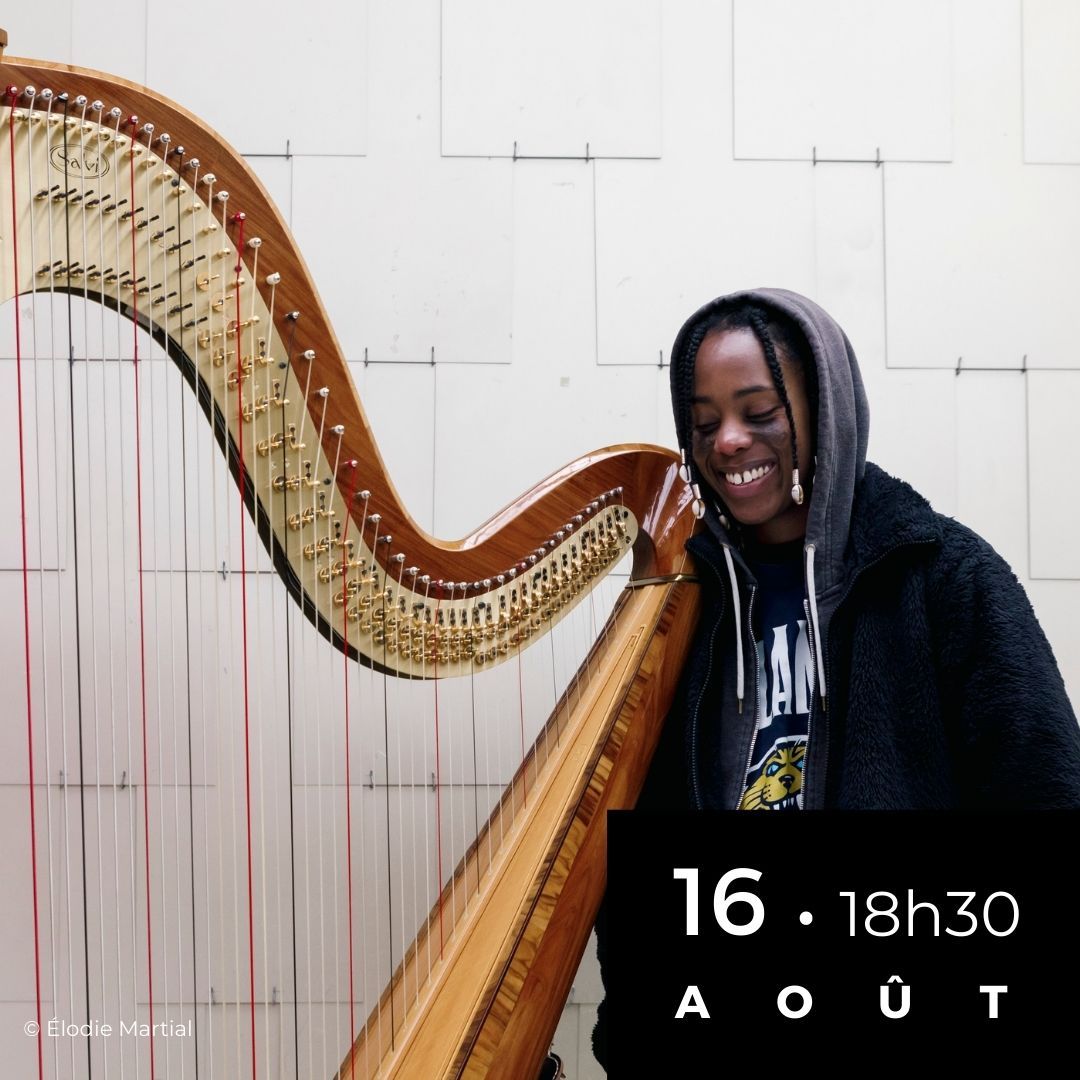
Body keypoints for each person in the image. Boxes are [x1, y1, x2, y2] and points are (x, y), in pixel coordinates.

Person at [590, 286, 1080, 1070]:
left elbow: (1046, 797)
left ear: (827, 412)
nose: (729, 441)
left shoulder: (942, 575)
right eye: (705, 423)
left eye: (759, 411)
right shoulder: (685, 604)